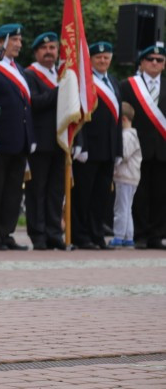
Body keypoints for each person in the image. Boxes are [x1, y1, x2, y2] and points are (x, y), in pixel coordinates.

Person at [0, 23, 34, 251]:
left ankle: (7, 232)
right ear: (1, 42)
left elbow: (25, 106)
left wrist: (30, 136)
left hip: (20, 140)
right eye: (15, 40)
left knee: (14, 190)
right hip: (0, 140)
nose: (19, 44)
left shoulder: (19, 69)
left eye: (20, 41)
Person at [72, 41, 121, 250]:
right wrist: (79, 144)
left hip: (109, 149)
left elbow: (117, 119)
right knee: (84, 195)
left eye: (106, 57)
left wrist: (118, 149)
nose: (103, 61)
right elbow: (79, 114)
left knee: (102, 196)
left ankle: (97, 234)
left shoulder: (113, 81)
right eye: (99, 58)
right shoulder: (85, 82)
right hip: (89, 148)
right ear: (90, 60)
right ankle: (81, 236)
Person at [119, 43, 166, 250]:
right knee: (140, 194)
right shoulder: (128, 86)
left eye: (159, 60)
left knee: (161, 194)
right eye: (150, 59)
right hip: (137, 149)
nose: (154, 63)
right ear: (142, 62)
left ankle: (157, 235)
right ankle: (141, 234)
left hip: (163, 149)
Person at [22, 31, 66, 250]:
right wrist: (59, 92)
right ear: (36, 52)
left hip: (60, 141)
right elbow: (34, 103)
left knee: (56, 191)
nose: (49, 52)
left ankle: (54, 232)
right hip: (40, 141)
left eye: (53, 48)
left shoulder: (62, 74)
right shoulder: (30, 74)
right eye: (44, 48)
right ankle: (38, 234)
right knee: (37, 191)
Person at [111, 102, 141, 247]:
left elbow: (123, 154)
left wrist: (113, 163)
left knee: (121, 208)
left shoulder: (127, 136)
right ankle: (128, 236)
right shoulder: (133, 135)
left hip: (125, 177)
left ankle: (118, 235)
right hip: (131, 177)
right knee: (127, 207)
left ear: (123, 119)